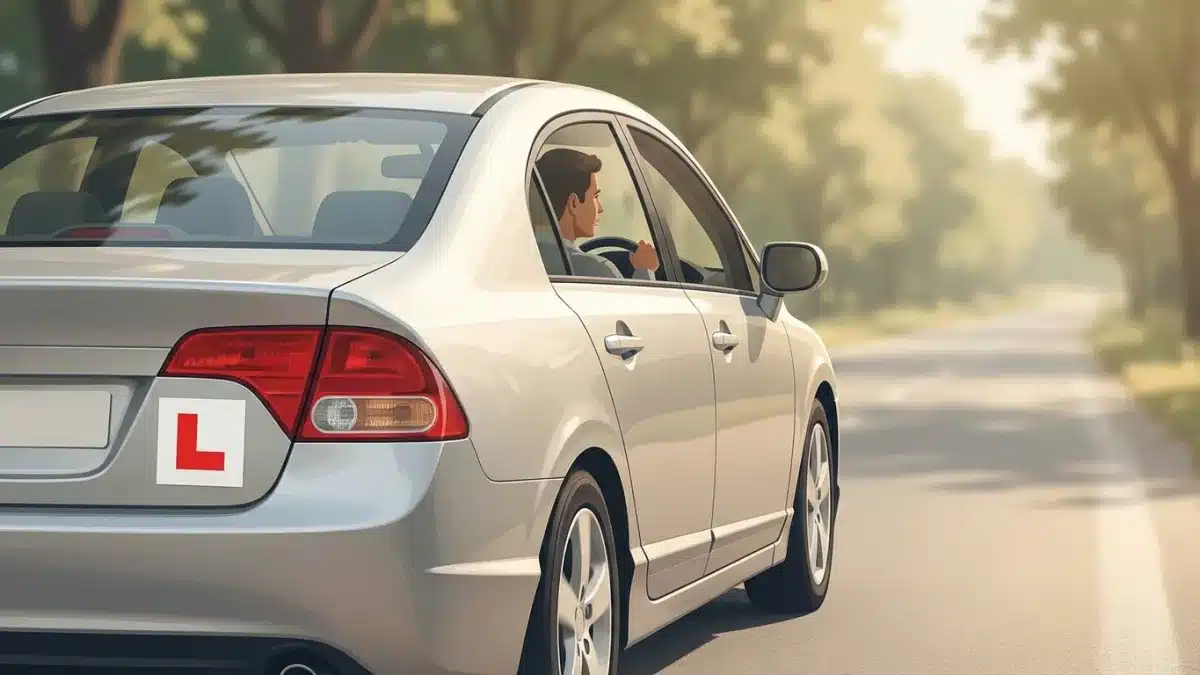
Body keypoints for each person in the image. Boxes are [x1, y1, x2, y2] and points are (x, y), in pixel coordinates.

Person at [535, 148, 659, 280]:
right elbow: (639, 295)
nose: (600, 208)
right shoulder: (597, 270)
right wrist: (645, 269)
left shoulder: (524, 258)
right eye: (595, 196)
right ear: (574, 203)